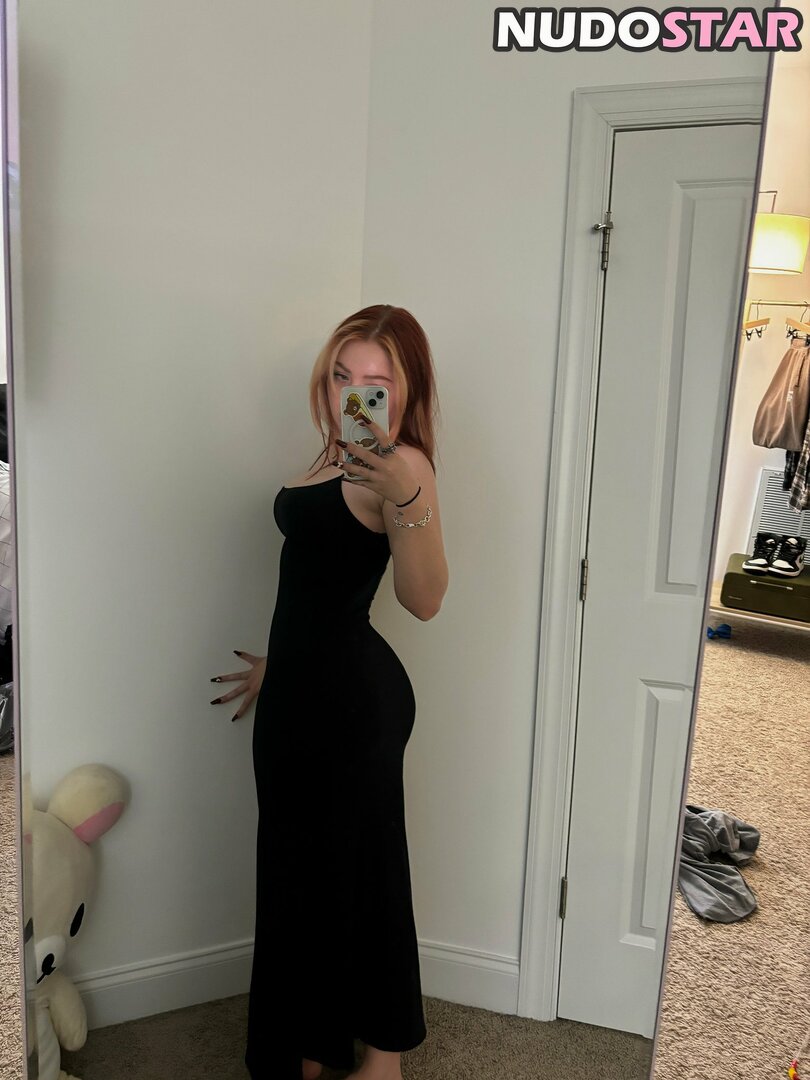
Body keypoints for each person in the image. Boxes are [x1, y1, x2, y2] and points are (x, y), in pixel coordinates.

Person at [210, 305, 449, 1080]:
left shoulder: (401, 467)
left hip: (353, 706)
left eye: (377, 380)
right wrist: (280, 661)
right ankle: (313, 1045)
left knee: (365, 872)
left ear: (408, 390)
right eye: (344, 374)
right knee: (299, 871)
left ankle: (383, 1058)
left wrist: (408, 497)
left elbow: (423, 600)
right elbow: (316, 579)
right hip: (297, 696)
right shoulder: (332, 453)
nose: (356, 392)